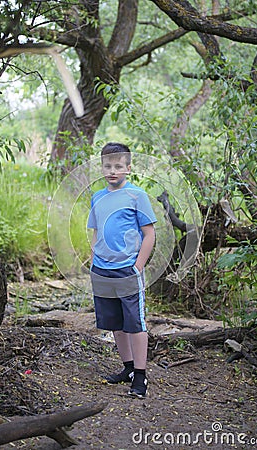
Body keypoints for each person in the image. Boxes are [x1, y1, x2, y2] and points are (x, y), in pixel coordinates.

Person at [87, 142, 156, 398]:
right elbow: (96, 231)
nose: (112, 171)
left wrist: (137, 265)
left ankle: (140, 376)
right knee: (115, 322)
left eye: (118, 166)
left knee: (134, 323)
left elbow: (149, 234)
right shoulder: (97, 197)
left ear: (128, 167)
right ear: (102, 167)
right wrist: (93, 257)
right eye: (108, 166)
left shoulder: (137, 196)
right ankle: (127, 368)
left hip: (127, 269)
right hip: (102, 269)